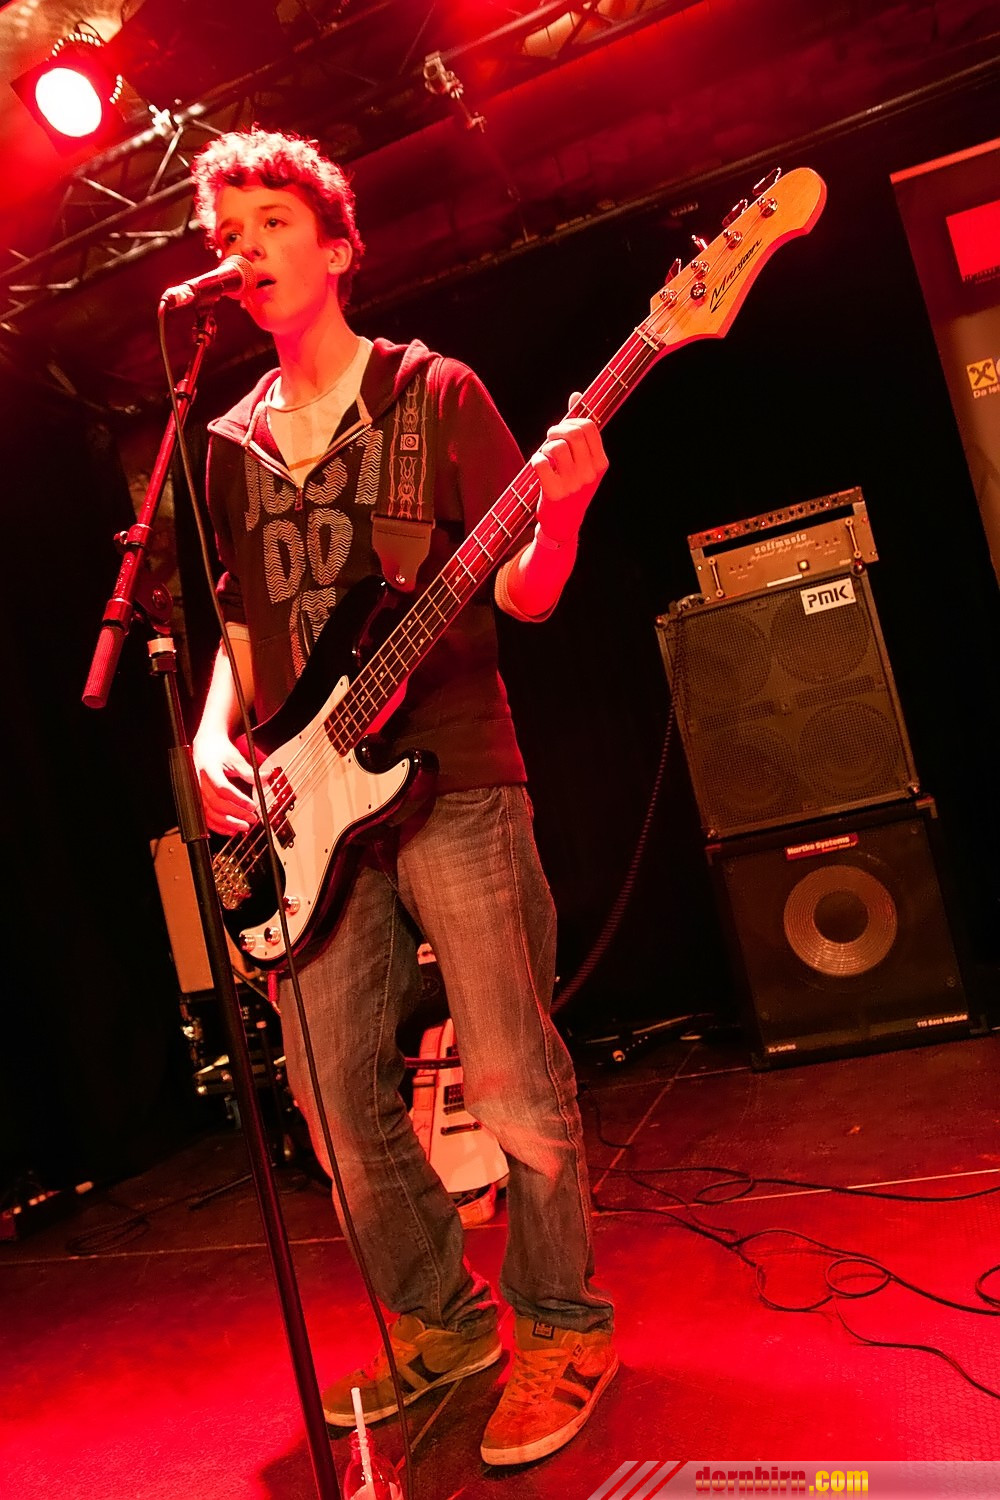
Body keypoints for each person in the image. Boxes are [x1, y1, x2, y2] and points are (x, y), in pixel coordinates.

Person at [189, 127, 615, 1467]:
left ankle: (564, 1328)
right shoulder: (226, 445)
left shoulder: (432, 396)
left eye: (272, 223)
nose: (245, 250)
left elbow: (523, 595)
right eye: (228, 232)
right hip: (307, 811)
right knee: (332, 1104)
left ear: (337, 246)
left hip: (456, 774)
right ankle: (443, 1324)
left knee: (510, 1072)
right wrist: (209, 735)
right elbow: (238, 626)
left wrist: (565, 512)